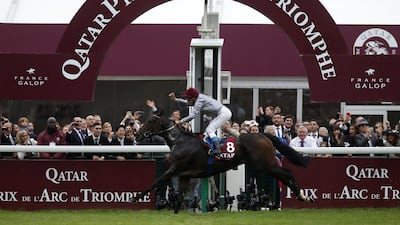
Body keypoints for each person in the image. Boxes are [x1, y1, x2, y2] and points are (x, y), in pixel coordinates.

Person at [169, 87, 232, 155]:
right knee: (207, 132)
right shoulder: (198, 99)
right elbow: (188, 103)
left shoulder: (199, 100)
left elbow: (193, 115)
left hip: (223, 113)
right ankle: (212, 147)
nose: (187, 100)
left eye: (188, 98)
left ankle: (218, 148)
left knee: (210, 130)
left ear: (193, 98)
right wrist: (176, 99)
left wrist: (181, 121)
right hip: (222, 113)